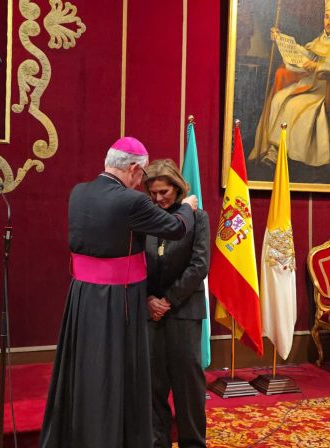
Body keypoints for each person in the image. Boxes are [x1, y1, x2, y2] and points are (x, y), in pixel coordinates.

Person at [40, 138, 199, 448]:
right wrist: (188, 207)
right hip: (117, 301)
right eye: (141, 176)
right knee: (111, 373)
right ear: (134, 168)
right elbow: (177, 227)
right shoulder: (132, 201)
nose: (141, 183)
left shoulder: (79, 193)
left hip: (82, 296)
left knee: (84, 367)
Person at [143, 160, 209, 448]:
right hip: (150, 313)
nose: (158, 198)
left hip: (183, 312)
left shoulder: (198, 218)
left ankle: (192, 443)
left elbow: (199, 265)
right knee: (153, 386)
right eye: (153, 193)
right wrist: (148, 299)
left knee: (187, 387)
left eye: (164, 192)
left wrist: (167, 300)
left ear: (178, 188)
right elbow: (135, 262)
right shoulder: (145, 219)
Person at [249, 0, 330, 168]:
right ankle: (274, 150)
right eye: (326, 17)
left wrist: (319, 66)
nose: (328, 22)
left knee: (294, 105)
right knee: (279, 98)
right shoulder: (324, 37)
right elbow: (309, 54)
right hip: (314, 84)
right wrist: (281, 39)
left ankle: (290, 154)